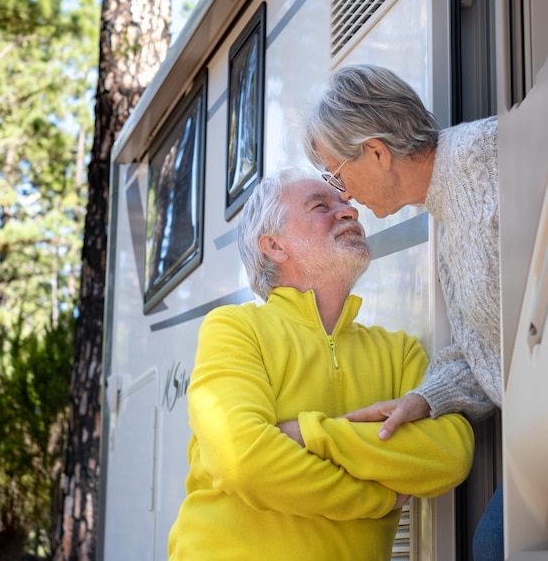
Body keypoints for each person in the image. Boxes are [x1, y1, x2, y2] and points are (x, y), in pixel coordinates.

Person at [167, 167, 474, 561]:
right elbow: (241, 460)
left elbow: (450, 454)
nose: (349, 212)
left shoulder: (398, 352)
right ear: (275, 246)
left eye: (346, 203)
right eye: (320, 206)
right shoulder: (235, 328)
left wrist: (309, 434)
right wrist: (376, 497)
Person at [303, 63, 501, 560]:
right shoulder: (444, 209)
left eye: (336, 174)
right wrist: (425, 399)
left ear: (375, 151)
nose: (343, 195)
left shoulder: (492, 156)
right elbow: (492, 347)